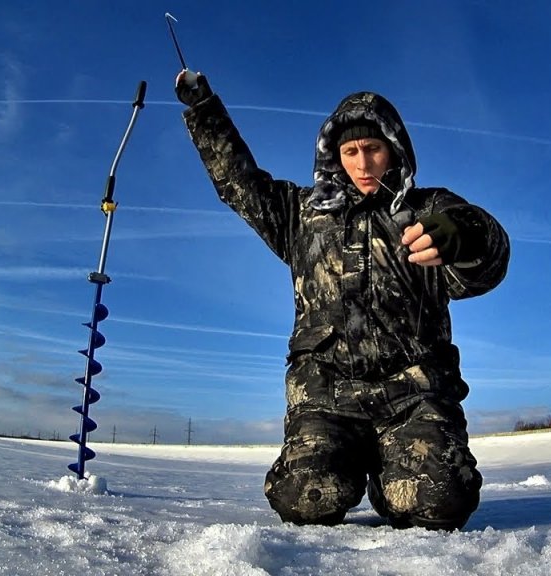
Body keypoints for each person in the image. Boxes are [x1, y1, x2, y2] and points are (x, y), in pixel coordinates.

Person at [174, 69, 510, 530]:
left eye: (373, 148)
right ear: (334, 156)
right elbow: (239, 183)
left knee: (438, 502)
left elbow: (488, 257)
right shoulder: (301, 215)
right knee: (305, 499)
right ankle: (350, 464)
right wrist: (204, 111)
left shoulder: (429, 209)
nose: (363, 162)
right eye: (350, 151)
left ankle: (393, 478)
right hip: (327, 396)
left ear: (394, 148)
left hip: (414, 395)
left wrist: (463, 236)